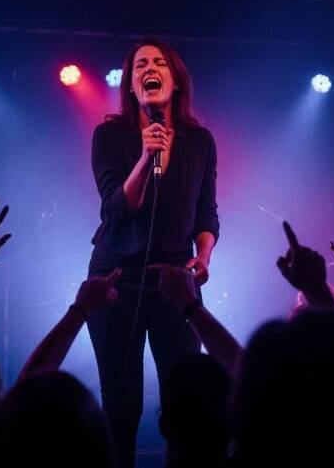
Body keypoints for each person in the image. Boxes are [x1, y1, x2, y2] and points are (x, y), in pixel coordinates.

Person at [87, 37, 219, 467]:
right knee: (122, 403)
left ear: (175, 79)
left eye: (159, 61)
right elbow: (117, 208)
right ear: (130, 85)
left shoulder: (200, 141)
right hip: (116, 280)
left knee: (188, 398)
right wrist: (146, 156)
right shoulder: (110, 135)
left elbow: (206, 211)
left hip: (174, 281)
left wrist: (205, 253)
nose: (149, 68)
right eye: (139, 64)